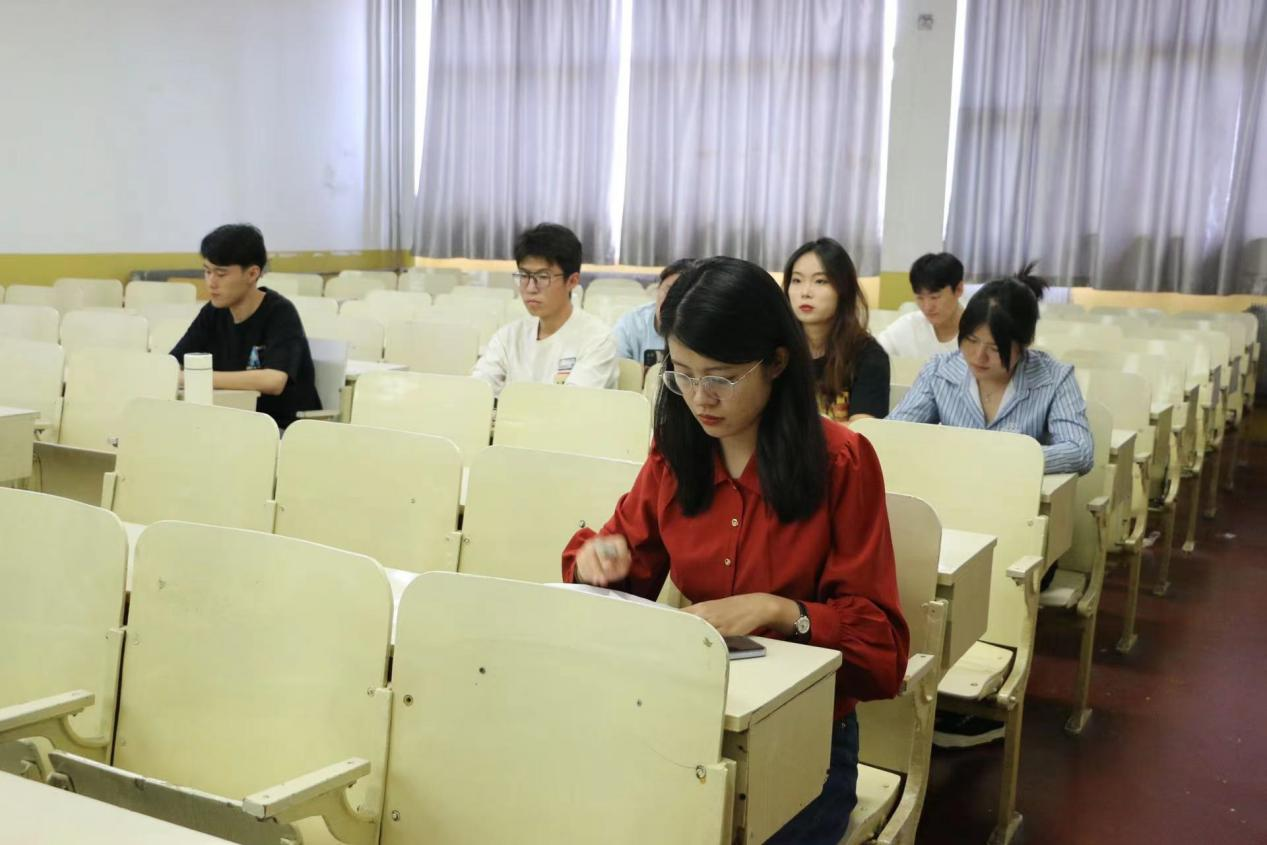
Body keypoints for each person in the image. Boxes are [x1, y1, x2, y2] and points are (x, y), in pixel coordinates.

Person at [561, 257, 909, 844]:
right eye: (682, 374)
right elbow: (625, 569)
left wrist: (781, 611)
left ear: (776, 362)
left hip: (803, 738)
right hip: (686, 710)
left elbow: (883, 653)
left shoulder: (841, 462)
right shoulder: (678, 449)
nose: (700, 398)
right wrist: (600, 563)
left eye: (721, 378)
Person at [888, 264, 1094, 475]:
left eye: (995, 348)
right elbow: (894, 431)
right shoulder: (939, 371)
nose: (979, 356)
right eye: (971, 340)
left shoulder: (1055, 379)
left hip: (1018, 490)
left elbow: (1079, 451)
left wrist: (999, 459)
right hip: (949, 484)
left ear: (1024, 343)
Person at [170, 223, 320, 429]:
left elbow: (273, 381)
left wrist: (197, 377)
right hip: (230, 421)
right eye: (207, 271)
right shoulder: (213, 312)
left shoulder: (280, 312)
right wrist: (185, 376)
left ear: (252, 274)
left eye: (221, 274)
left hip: (280, 427)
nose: (211, 282)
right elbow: (172, 365)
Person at [471, 223, 618, 395]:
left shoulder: (598, 340)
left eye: (542, 277)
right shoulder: (508, 337)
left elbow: (572, 403)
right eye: (524, 275)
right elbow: (477, 390)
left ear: (572, 281)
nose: (530, 288)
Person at [783, 238, 889, 422]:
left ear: (843, 290)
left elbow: (862, 432)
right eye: (797, 280)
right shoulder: (775, 349)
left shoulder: (868, 356)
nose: (805, 292)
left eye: (820, 281)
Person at [876, 252, 966, 358]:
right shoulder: (909, 326)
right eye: (920, 298)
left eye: (935, 297)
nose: (927, 307)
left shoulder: (978, 332)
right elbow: (873, 352)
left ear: (958, 289)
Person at [612, 258, 695, 365]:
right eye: (669, 290)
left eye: (683, 293)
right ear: (658, 289)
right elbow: (618, 367)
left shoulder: (702, 327)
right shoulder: (631, 323)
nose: (673, 299)